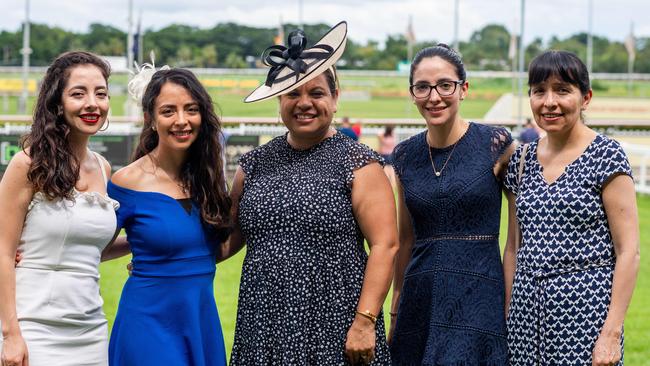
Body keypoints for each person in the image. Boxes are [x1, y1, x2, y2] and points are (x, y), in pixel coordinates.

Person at [221, 21, 398, 365]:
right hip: (265, 323)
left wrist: (364, 322)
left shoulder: (359, 163)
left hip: (337, 322)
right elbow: (226, 240)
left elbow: (385, 245)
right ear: (279, 101)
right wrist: (165, 255)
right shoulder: (253, 164)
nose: (304, 103)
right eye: (292, 94)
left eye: (316, 93)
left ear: (334, 98)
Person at [504, 50, 639, 365]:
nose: (549, 101)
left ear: (585, 97)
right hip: (525, 319)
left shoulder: (606, 157)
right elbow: (513, 248)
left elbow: (628, 251)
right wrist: (508, 315)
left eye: (562, 90)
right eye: (539, 91)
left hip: (586, 318)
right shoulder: (521, 160)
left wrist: (611, 333)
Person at [388, 44, 514, 364]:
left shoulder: (497, 145)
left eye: (445, 85)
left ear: (463, 89)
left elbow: (515, 242)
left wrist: (510, 305)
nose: (434, 97)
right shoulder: (404, 156)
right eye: (422, 87)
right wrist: (395, 307)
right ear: (412, 92)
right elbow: (405, 241)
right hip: (421, 296)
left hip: (479, 294)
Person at [0, 51, 119, 366]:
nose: (92, 103)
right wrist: (11, 334)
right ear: (57, 102)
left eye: (101, 93)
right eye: (78, 94)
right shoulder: (28, 163)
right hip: (32, 327)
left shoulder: (105, 168)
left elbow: (93, 248)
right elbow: (2, 251)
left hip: (90, 329)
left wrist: (154, 245)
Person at [106, 67, 232, 365]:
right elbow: (92, 248)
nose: (181, 121)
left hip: (201, 321)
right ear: (150, 119)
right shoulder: (126, 182)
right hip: (148, 324)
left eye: (191, 109)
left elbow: (219, 244)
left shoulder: (209, 177)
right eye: (168, 111)